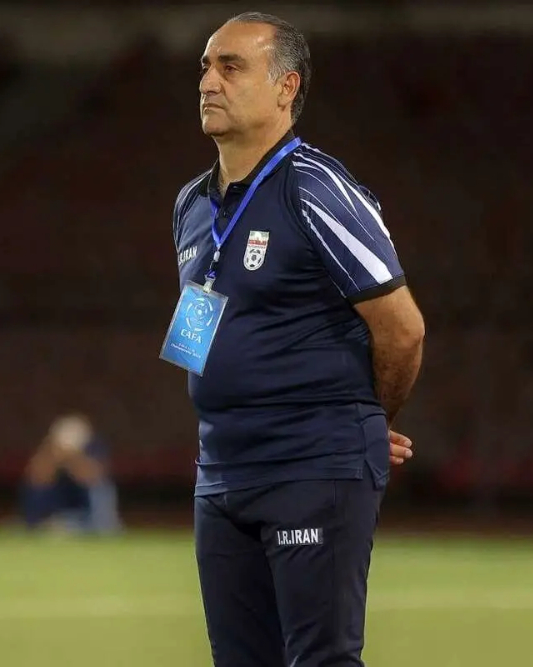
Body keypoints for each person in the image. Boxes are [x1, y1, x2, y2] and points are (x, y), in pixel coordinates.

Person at [160, 12, 424, 667]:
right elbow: (197, 334)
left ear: (286, 87)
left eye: (231, 66)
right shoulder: (191, 204)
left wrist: (367, 421)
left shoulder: (314, 187)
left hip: (311, 464)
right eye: (205, 66)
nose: (208, 81)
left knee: (320, 659)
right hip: (221, 473)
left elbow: (403, 327)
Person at [17, 413, 123, 535]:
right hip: (60, 514)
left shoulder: (93, 448)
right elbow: (37, 478)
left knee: (101, 488)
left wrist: (73, 457)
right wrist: (55, 456)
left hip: (88, 517)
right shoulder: (49, 454)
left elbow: (93, 478)